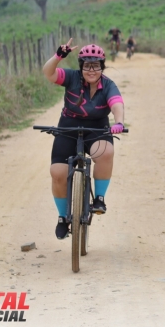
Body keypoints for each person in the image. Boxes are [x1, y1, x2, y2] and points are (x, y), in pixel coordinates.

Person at [42, 39, 125, 239]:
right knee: (58, 173)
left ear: (102, 66)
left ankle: (99, 198)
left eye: (96, 65)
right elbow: (48, 73)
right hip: (68, 127)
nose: (91, 70)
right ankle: (63, 217)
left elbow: (117, 104)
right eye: (87, 65)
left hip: (97, 128)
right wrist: (58, 56)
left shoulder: (108, 85)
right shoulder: (71, 77)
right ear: (81, 66)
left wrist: (119, 122)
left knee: (106, 152)